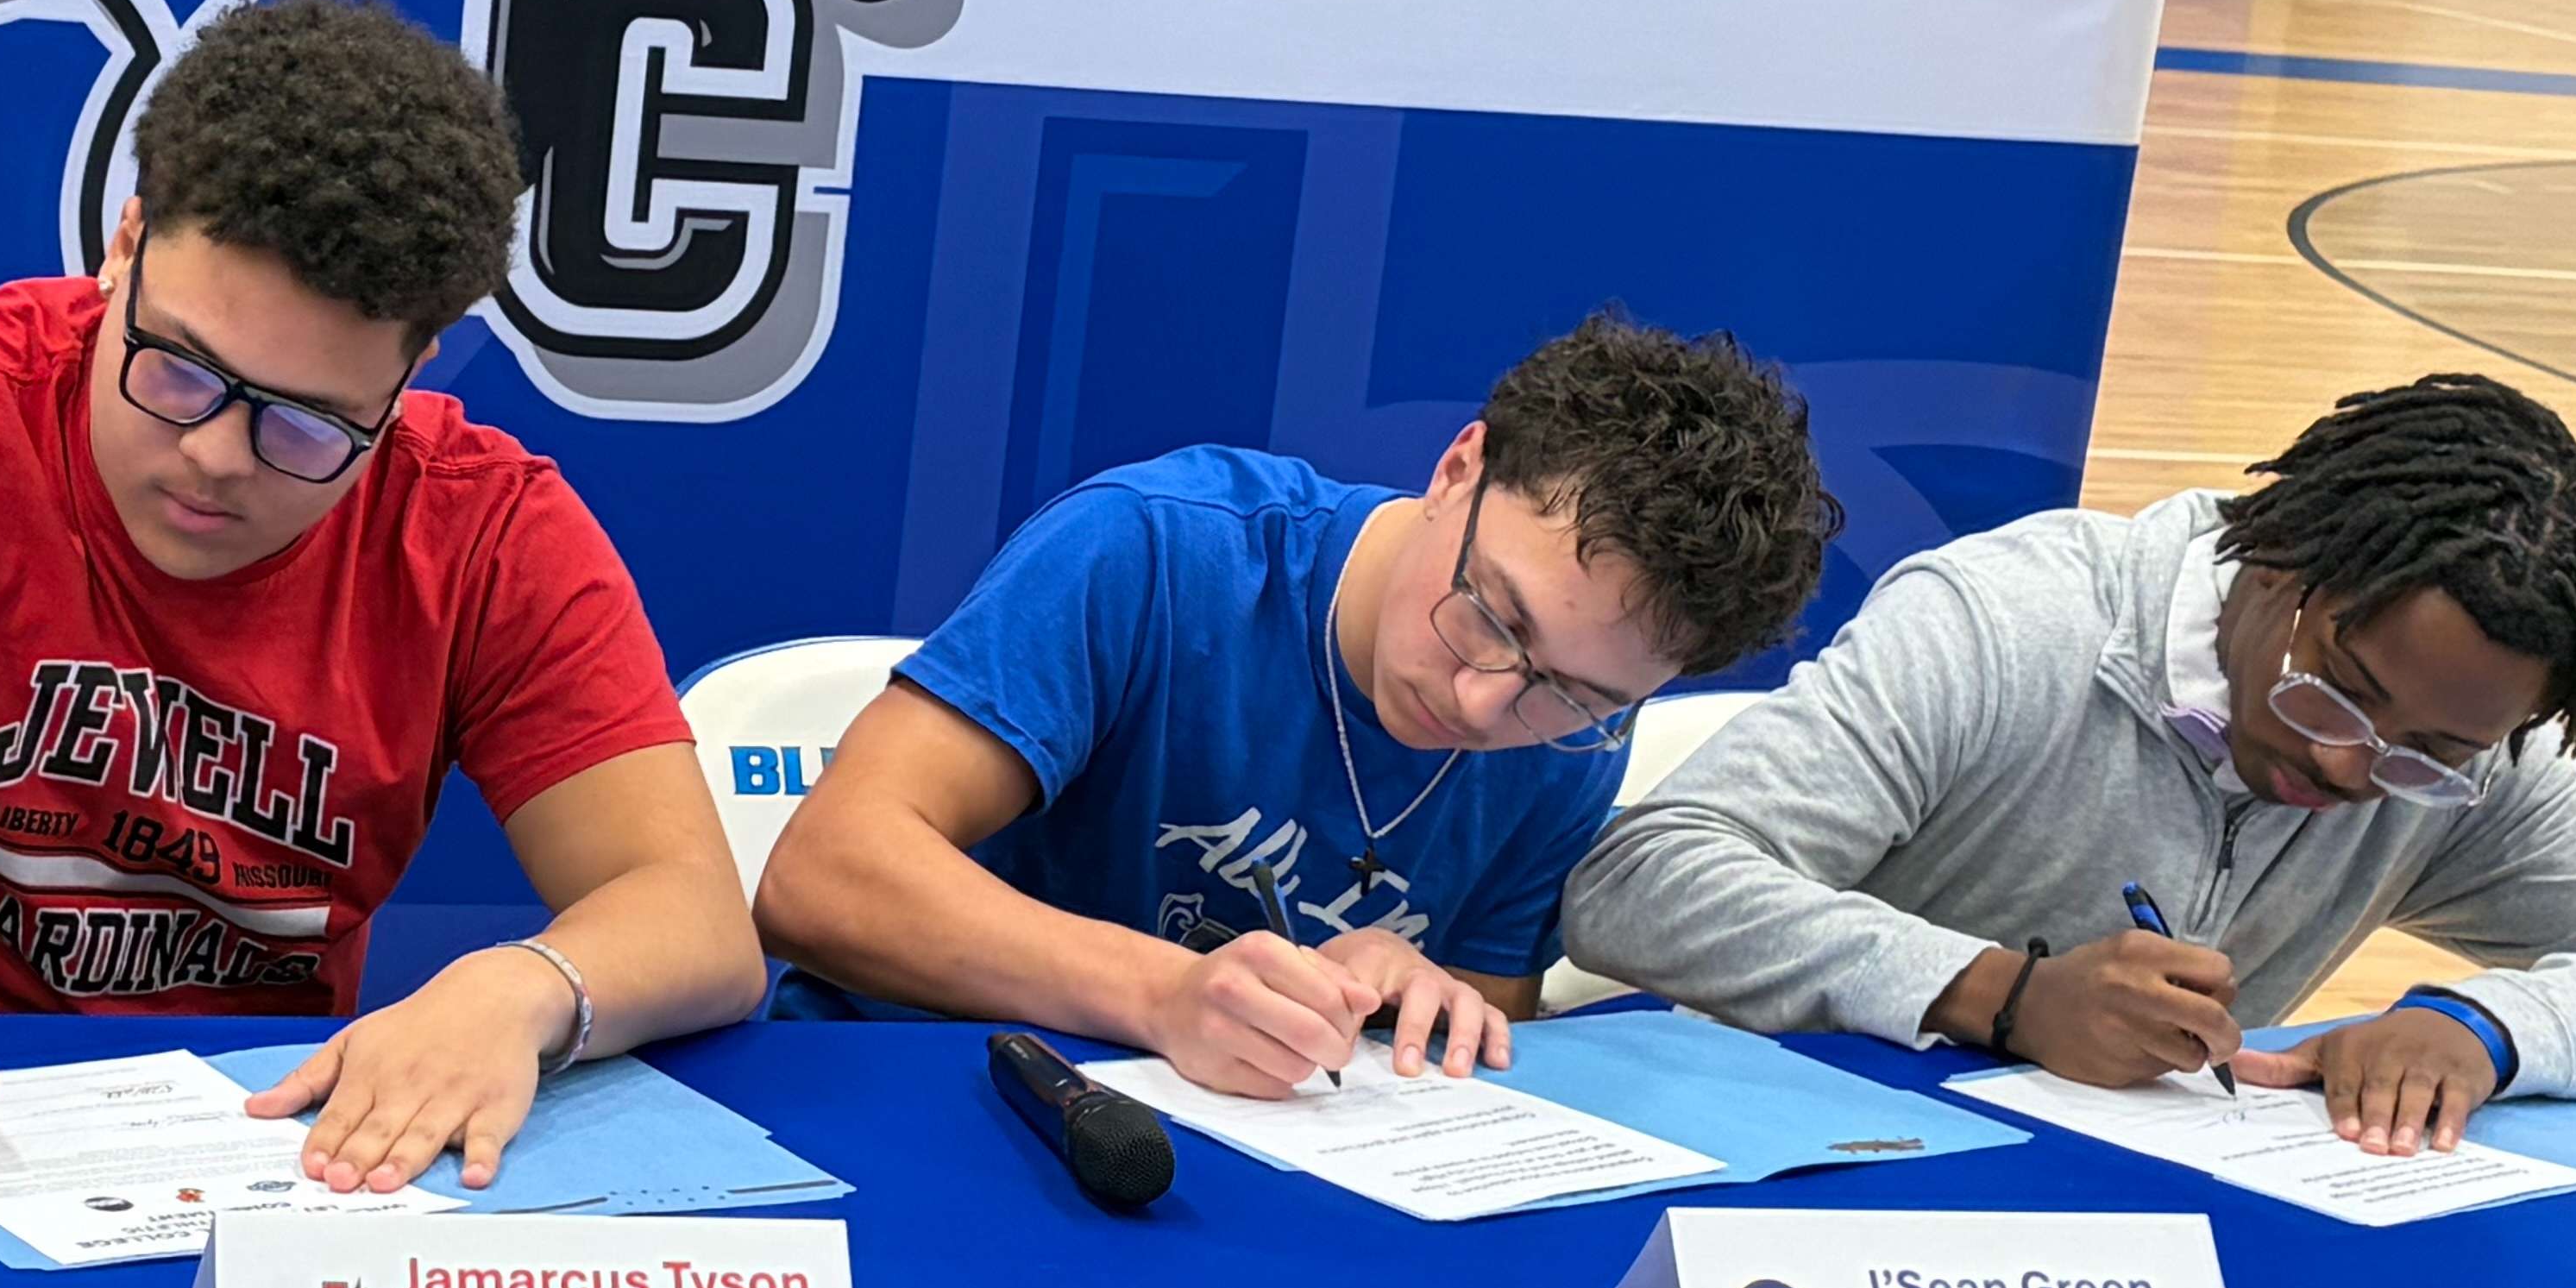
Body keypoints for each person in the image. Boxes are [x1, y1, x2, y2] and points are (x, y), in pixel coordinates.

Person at [0, 0, 763, 1180]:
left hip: (256, 1149)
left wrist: (525, 989)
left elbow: (695, 917)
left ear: (414, 367)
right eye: (181, 370)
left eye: (307, 427)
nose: (214, 455)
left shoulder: (484, 527)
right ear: (126, 242)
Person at [1565, 371, 2576, 1148]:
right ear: (2273, 566)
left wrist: (2482, 1024)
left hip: (2115, 1252)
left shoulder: (2456, 761)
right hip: (1798, 1195)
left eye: (2428, 757)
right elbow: (1643, 883)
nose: (2352, 774)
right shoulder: (2008, 626)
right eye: (2341, 697)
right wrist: (2000, 994)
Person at [753, 318, 1841, 1096]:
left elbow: (1479, 1028)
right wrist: (1167, 994)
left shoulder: (1575, 740)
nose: (1484, 696)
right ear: (1460, 467)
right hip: (918, 1094)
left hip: (1228, 1175)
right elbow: (822, 878)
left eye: (1570, 694)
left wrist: (1403, 1004)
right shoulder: (1156, 549)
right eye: (1488, 613)